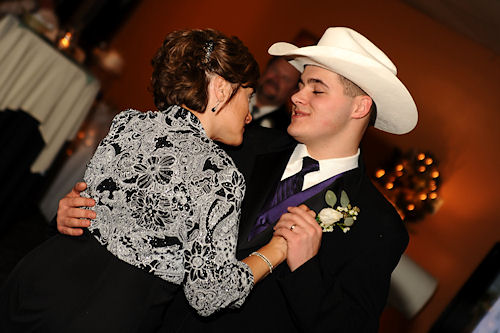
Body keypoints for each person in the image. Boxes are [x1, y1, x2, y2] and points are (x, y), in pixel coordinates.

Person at [54, 26, 418, 332]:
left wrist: (304, 268)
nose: (296, 96)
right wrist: (85, 210)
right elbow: (150, 204)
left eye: (316, 89)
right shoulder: (243, 142)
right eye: (301, 84)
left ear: (359, 107)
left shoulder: (378, 225)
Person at [0, 28, 291, 333]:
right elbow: (209, 293)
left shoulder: (129, 123)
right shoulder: (219, 173)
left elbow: (86, 212)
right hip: (106, 311)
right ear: (221, 89)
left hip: (40, 278)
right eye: (248, 95)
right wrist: (276, 251)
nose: (248, 115)